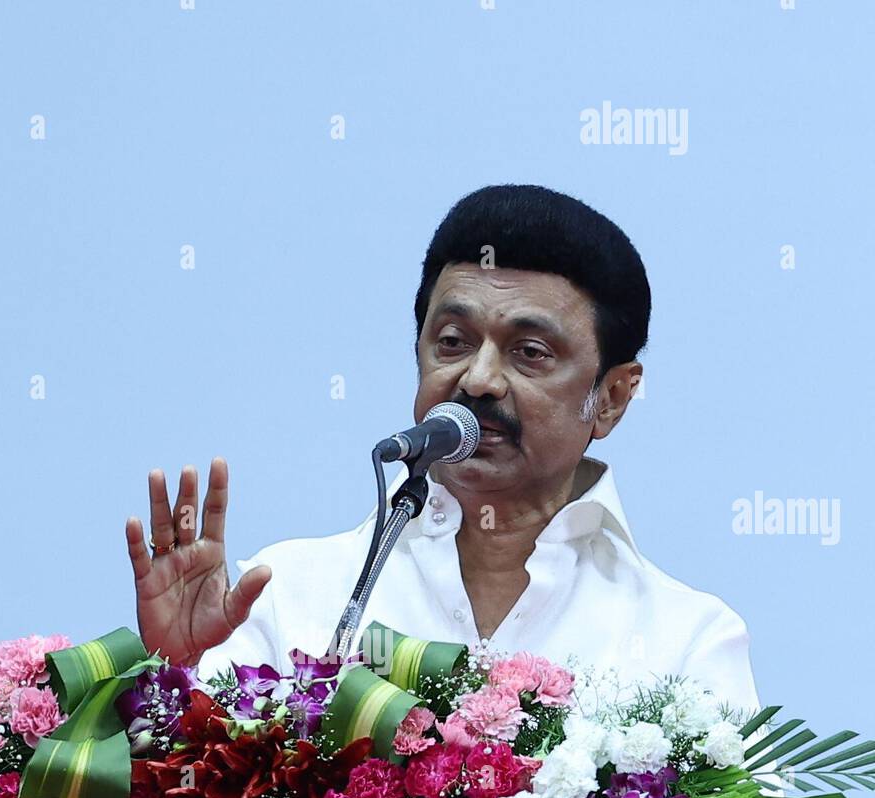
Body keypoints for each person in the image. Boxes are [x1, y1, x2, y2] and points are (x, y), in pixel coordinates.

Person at [125, 184, 760, 715]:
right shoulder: (292, 593)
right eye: (452, 341)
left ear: (615, 396)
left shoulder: (687, 641)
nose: (478, 379)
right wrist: (177, 676)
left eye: (529, 353)